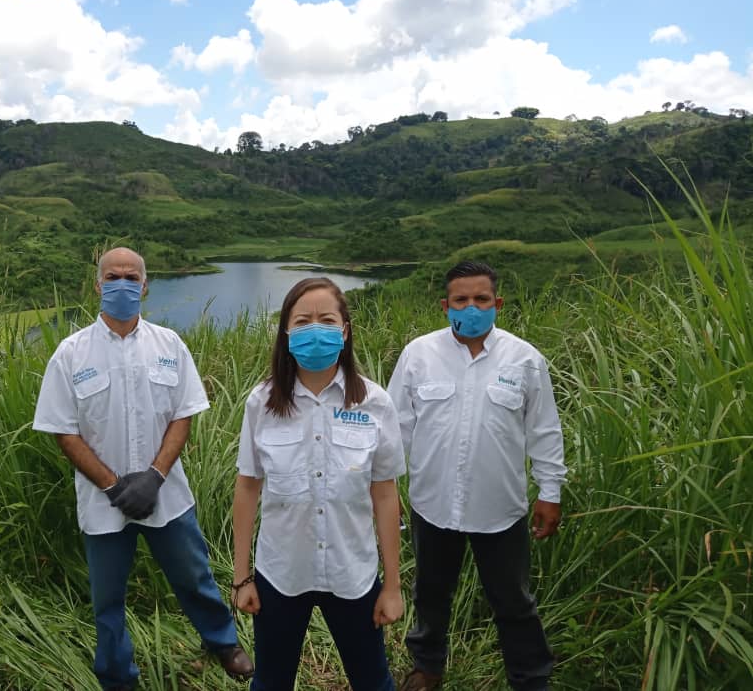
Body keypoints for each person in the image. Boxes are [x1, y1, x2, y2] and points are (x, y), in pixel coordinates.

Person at [32, 247, 253, 691]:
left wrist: (153, 476)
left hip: (166, 496)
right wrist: (114, 486)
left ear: (145, 285)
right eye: (112, 276)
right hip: (103, 504)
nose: (122, 284)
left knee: (193, 575)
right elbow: (63, 430)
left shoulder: (169, 345)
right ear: (98, 285)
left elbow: (183, 414)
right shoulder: (70, 353)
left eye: (131, 277)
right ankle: (117, 676)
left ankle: (223, 642)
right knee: (107, 599)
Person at [388, 261, 567, 691]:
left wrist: (550, 491)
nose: (471, 308)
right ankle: (428, 667)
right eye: (461, 300)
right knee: (430, 594)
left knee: (514, 601)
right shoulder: (419, 354)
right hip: (433, 504)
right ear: (445, 305)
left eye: (481, 300)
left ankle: (530, 678)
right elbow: (396, 428)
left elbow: (544, 429)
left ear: (497, 303)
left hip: (500, 508)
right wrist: (387, 487)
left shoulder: (525, 360)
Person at [232, 277, 406, 691]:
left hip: (353, 572)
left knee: (373, 680)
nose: (316, 329)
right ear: (286, 332)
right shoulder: (263, 403)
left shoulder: (374, 403)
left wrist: (393, 585)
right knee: (271, 682)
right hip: (281, 572)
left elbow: (385, 494)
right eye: (303, 320)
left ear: (344, 331)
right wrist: (242, 577)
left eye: (327, 320)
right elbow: (247, 487)